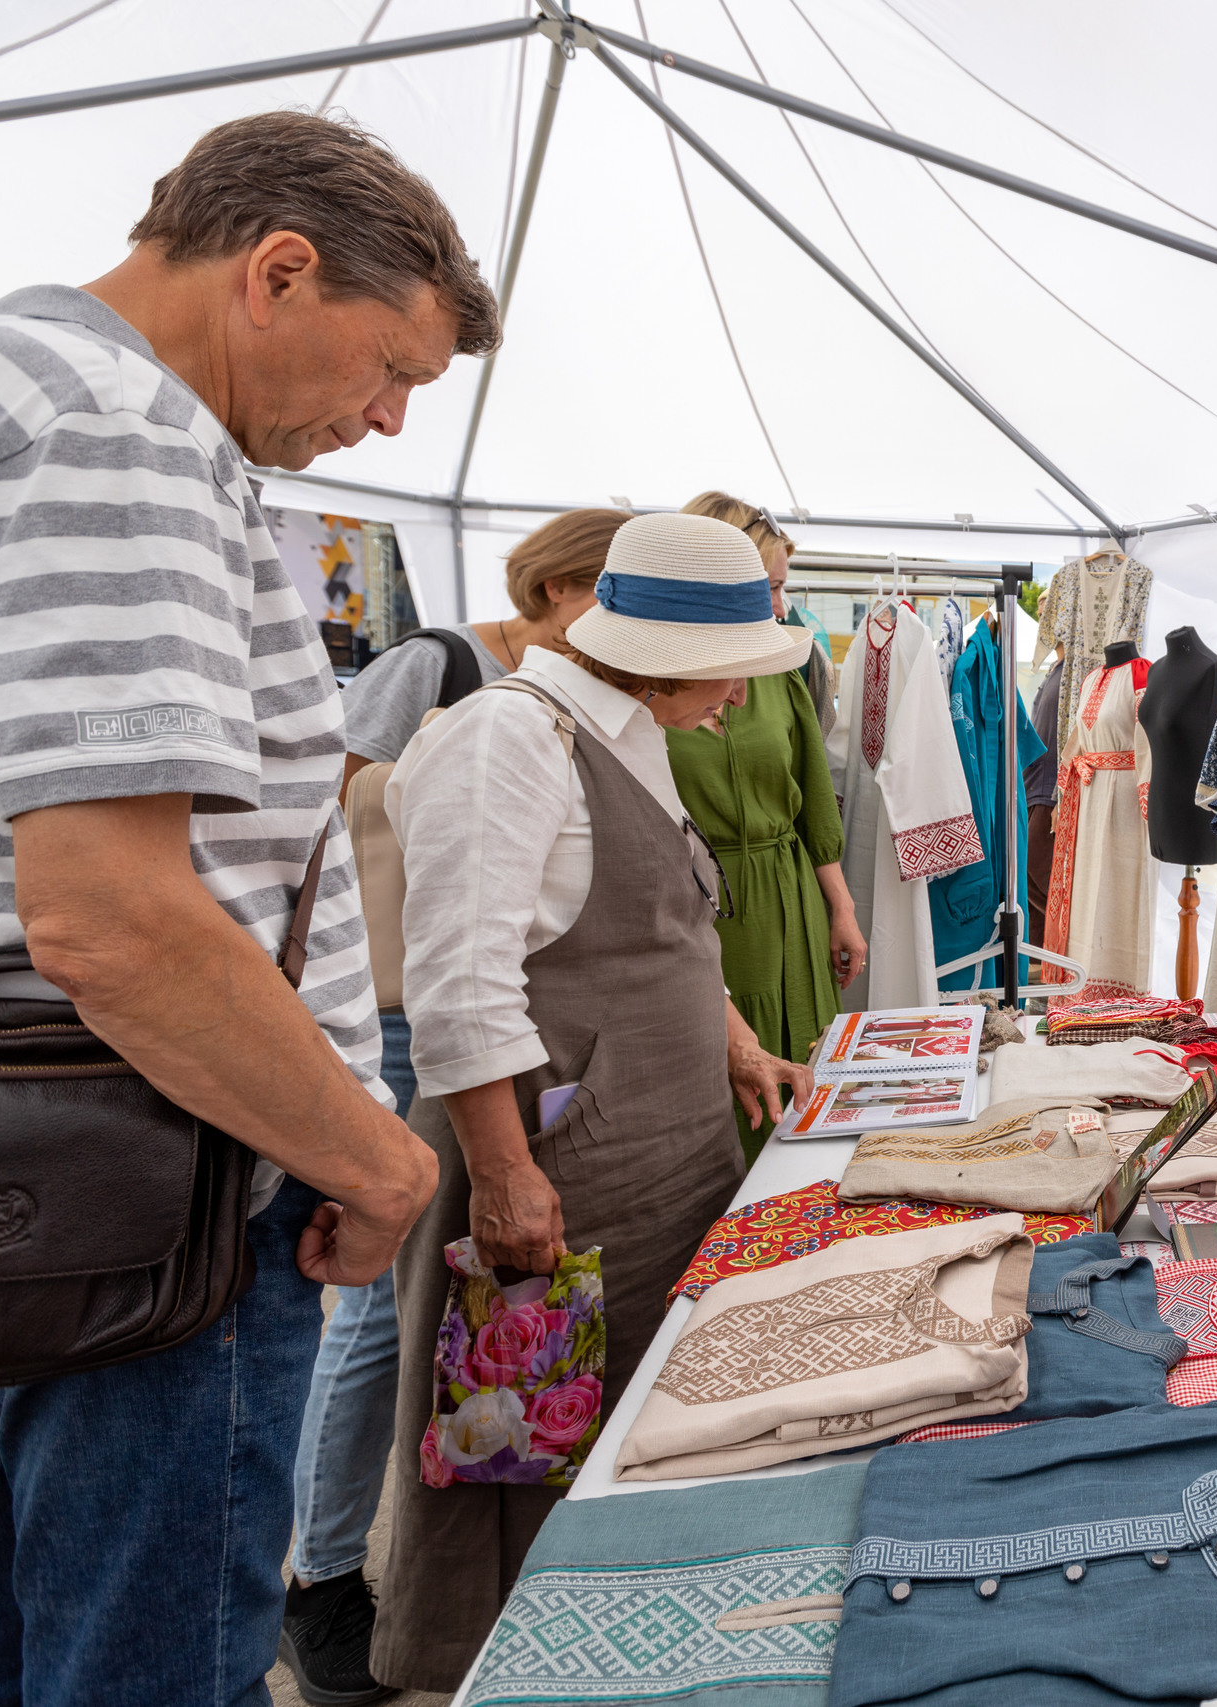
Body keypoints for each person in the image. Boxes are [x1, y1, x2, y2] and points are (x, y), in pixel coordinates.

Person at [0, 111, 489, 1706]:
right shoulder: (112, 429)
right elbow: (113, 916)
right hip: (159, 1175)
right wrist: (374, 1159)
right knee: (146, 1662)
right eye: (392, 369)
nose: (382, 422)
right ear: (278, 272)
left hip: (32, 1155)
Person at [371, 511, 820, 1690]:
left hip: (661, 1145)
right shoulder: (507, 739)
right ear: (665, 653)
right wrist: (509, 1176)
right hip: (566, 1166)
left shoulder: (627, 731)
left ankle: (639, 1648)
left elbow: (660, 923)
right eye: (732, 674)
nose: (738, 703)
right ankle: (525, 1665)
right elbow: (460, 983)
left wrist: (733, 1045)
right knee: (534, 1437)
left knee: (634, 1418)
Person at [281, 506, 629, 1701]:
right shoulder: (441, 665)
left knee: (440, 1310)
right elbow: (309, 822)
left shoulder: (575, 696)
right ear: (563, 586)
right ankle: (322, 1579)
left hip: (492, 1022)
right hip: (394, 1010)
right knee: (382, 1316)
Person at [669, 490, 866, 1160]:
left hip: (792, 900)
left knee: (811, 1072)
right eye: (770, 587)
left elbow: (813, 795)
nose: (781, 607)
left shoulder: (784, 665)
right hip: (706, 907)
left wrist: (840, 905)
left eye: (783, 588)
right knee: (729, 1094)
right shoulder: (652, 681)